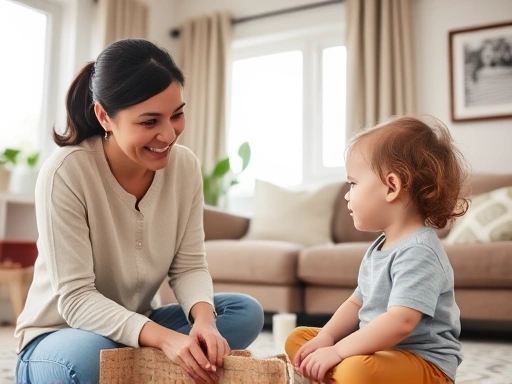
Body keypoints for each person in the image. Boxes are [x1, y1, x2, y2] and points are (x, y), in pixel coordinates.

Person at [15, 38, 264, 384]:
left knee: (243, 312)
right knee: (91, 359)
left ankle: (139, 367)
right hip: (62, 335)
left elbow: (189, 265)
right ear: (104, 116)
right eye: (149, 122)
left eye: (176, 115)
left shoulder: (185, 167)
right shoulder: (66, 172)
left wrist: (204, 323)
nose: (168, 134)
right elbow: (75, 300)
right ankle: (147, 365)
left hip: (138, 324)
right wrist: (165, 340)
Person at [285, 116, 469, 384]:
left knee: (355, 370)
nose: (347, 195)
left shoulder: (420, 251)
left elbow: (400, 322)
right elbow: (356, 301)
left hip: (424, 365)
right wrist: (326, 337)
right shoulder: (379, 247)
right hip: (383, 355)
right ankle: (334, 370)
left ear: (392, 187)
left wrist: (337, 350)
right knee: (300, 340)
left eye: (353, 183)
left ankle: (339, 373)